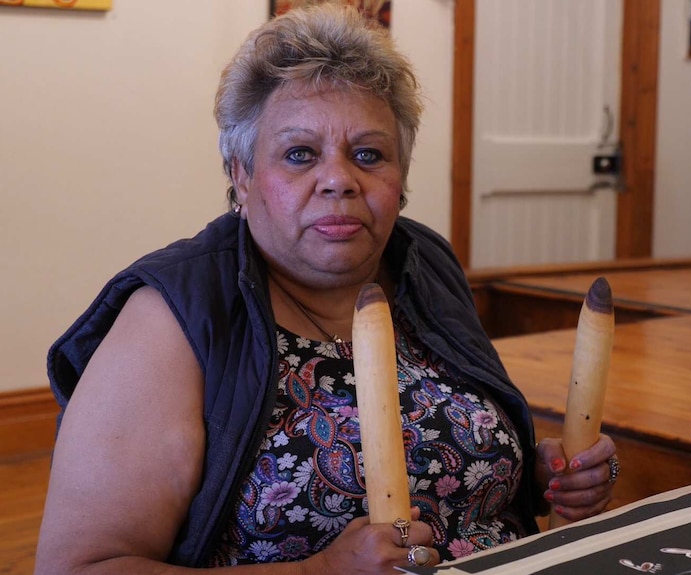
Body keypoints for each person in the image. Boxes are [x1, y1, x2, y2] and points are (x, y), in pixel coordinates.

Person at [35, 2, 618, 573]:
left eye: (369, 154)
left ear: (401, 176)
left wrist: (540, 475)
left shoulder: (422, 262)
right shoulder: (176, 314)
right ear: (241, 175)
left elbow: (458, 472)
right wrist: (318, 572)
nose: (339, 179)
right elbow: (79, 566)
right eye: (299, 154)